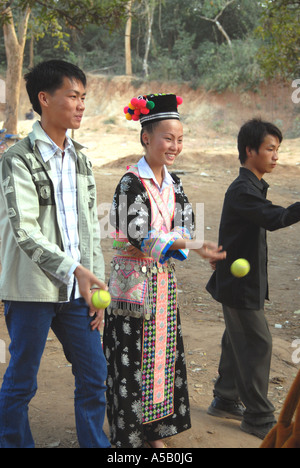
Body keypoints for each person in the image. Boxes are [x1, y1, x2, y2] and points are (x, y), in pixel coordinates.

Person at [103, 93, 226, 448]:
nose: (175, 146)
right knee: (131, 359)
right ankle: (128, 434)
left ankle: (154, 432)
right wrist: (185, 242)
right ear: (146, 138)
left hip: (162, 284)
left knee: (161, 357)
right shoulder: (130, 182)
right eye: (168, 138)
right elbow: (138, 235)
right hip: (132, 286)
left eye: (180, 139)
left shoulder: (175, 183)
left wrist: (187, 242)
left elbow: (187, 225)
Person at [0, 60, 110, 448]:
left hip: (78, 291)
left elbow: (89, 228)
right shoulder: (17, 159)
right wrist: (75, 269)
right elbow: (25, 231)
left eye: (84, 97)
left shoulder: (81, 159)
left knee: (95, 374)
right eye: (74, 96)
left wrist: (93, 278)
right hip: (30, 290)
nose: (81, 105)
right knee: (22, 380)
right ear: (44, 99)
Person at [206, 118, 300, 440]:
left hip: (242, 283)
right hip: (238, 286)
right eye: (270, 149)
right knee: (257, 342)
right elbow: (274, 217)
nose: (276, 156)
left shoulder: (251, 187)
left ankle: (225, 398)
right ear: (250, 151)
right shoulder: (244, 190)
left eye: (278, 149)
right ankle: (259, 417)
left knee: (237, 339)